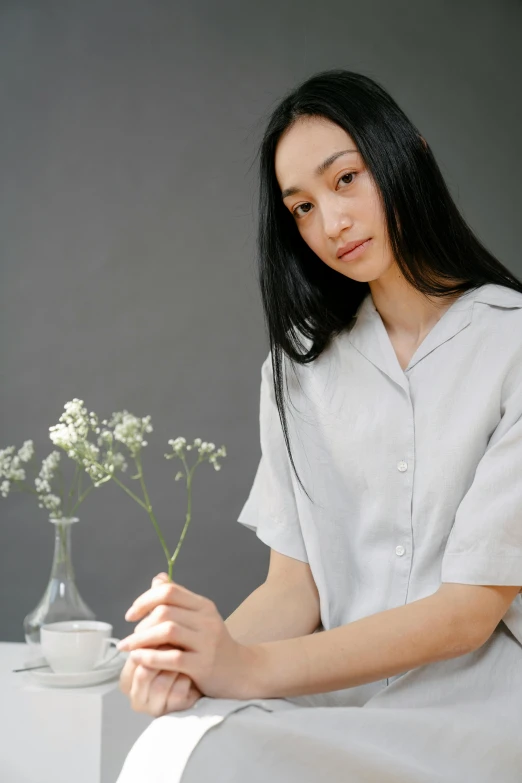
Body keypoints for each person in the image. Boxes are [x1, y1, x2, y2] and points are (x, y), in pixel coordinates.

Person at [116, 69, 522, 782]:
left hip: (484, 706)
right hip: (337, 699)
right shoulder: (295, 369)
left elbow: (468, 612)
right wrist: (189, 665)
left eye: (346, 179)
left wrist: (244, 665)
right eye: (301, 206)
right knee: (176, 749)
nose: (330, 224)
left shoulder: (511, 342)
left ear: (409, 156)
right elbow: (293, 588)